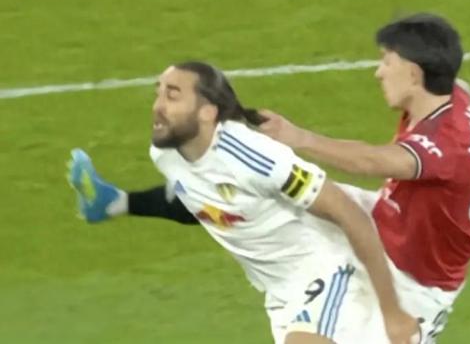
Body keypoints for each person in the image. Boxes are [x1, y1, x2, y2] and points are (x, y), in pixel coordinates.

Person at [68, 61, 419, 344]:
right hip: (280, 293)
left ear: (207, 112)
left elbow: (349, 213)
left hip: (328, 267)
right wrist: (120, 203)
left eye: (172, 95)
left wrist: (392, 312)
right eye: (158, 93)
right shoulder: (166, 153)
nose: (158, 106)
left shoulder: (257, 159)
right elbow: (205, 203)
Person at [259, 13, 470, 342]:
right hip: (389, 220)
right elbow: (464, 89)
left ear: (413, 74)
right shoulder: (444, 96)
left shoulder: (446, 146)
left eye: (387, 61)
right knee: (277, 188)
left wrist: (299, 137)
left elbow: (371, 160)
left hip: (415, 282)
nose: (378, 72)